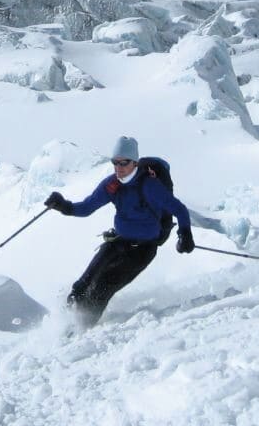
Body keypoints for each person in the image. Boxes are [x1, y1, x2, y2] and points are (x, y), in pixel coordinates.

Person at [44, 136, 194, 326]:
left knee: (103, 287)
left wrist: (185, 234)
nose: (119, 167)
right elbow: (87, 207)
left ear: (135, 163)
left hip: (143, 250)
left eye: (124, 162)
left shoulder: (149, 186)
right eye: (115, 162)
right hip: (118, 242)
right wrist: (64, 206)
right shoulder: (112, 185)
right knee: (81, 286)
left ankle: (82, 328)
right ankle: (63, 324)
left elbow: (179, 209)